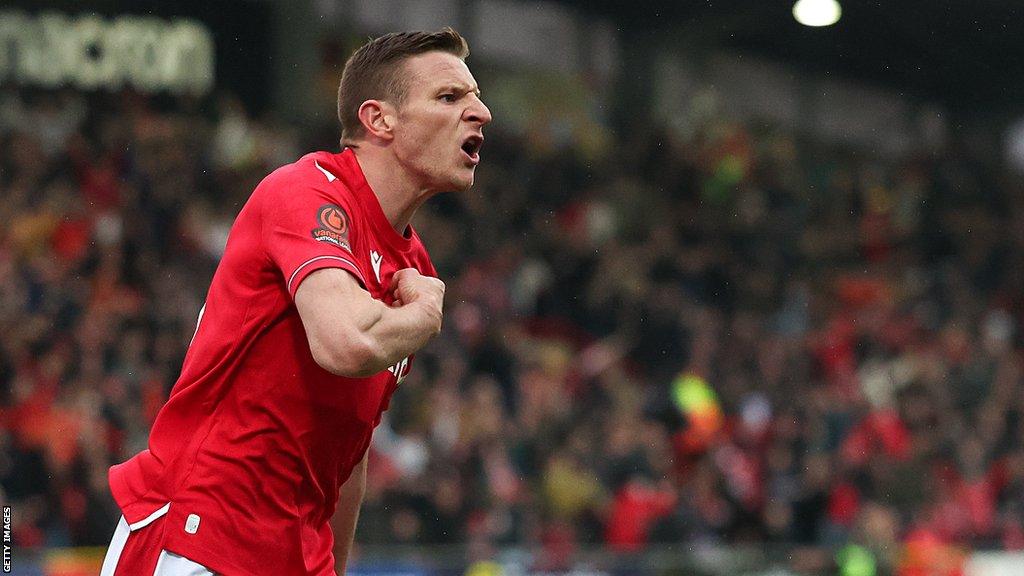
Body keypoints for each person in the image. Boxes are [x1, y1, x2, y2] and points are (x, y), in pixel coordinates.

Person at [99, 27, 491, 576]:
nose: (481, 113)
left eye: (474, 97)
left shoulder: (414, 267)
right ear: (378, 120)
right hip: (197, 539)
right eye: (450, 98)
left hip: (297, 560)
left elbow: (347, 455)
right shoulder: (306, 190)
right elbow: (345, 343)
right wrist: (423, 316)